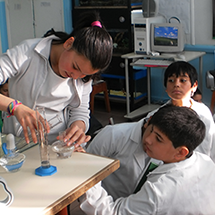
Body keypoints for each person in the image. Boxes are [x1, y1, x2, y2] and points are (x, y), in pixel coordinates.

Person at [0, 11, 113, 146]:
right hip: (18, 144)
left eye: (84, 74)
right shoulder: (26, 53)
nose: (76, 76)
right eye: (75, 67)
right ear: (69, 44)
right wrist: (14, 106)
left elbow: (80, 111)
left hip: (59, 147)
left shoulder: (83, 76)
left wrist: (78, 128)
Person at [79, 105, 215, 215]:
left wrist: (84, 174)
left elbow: (113, 212)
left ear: (180, 152)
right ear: (148, 121)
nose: (148, 140)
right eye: (150, 131)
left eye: (159, 139)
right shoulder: (205, 162)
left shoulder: (160, 191)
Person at [146, 61, 215, 162]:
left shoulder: (203, 113)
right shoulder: (157, 115)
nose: (176, 84)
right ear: (166, 87)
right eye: (171, 80)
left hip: (201, 167)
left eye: (183, 80)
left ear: (194, 85)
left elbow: (211, 145)